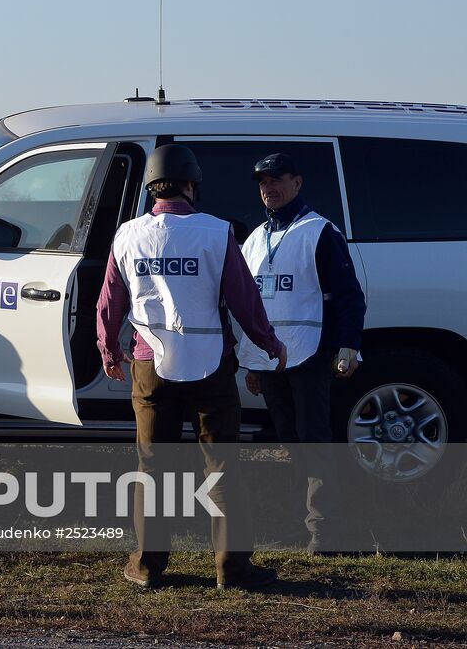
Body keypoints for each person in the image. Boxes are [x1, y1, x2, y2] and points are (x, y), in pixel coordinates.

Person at [98, 143, 288, 590]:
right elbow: (244, 300)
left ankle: (146, 566)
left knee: (152, 469)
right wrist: (268, 342)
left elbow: (110, 301)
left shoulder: (127, 235)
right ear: (190, 185)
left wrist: (109, 351)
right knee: (223, 469)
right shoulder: (217, 232)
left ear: (151, 189)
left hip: (150, 367)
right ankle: (231, 569)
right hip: (210, 367)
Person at [237, 153, 367, 554]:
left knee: (314, 440)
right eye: (262, 182)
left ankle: (324, 532)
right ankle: (297, 526)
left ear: (297, 182)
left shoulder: (319, 231)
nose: (269, 187)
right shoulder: (255, 239)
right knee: (289, 441)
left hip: (311, 356)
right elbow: (248, 306)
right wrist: (252, 363)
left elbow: (349, 296)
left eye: (277, 179)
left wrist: (348, 345)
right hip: (270, 358)